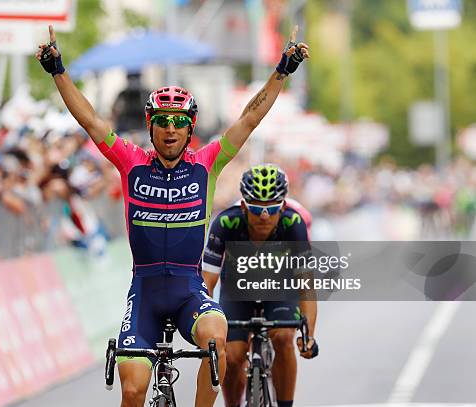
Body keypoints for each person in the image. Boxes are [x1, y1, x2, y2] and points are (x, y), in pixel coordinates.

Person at [36, 25, 309, 407]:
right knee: (132, 387)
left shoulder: (207, 164)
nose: (170, 129)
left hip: (188, 291)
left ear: (190, 128)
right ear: (150, 125)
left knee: (217, 335)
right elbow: (92, 121)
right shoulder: (130, 162)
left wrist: (283, 68)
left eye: (179, 122)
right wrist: (58, 71)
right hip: (145, 293)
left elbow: (249, 118)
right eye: (162, 120)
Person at [202, 164, 318, 407]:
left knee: (285, 337)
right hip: (237, 291)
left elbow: (306, 284)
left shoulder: (293, 224)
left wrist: (308, 336)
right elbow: (206, 283)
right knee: (232, 356)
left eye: (272, 208)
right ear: (243, 206)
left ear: (283, 207)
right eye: (256, 208)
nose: (264, 216)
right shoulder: (225, 223)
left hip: (279, 286)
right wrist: (205, 325)